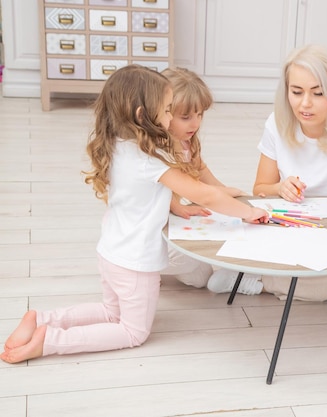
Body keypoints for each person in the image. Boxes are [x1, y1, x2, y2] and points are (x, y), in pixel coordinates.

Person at [1, 65, 269, 364]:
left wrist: (176, 205)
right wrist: (248, 212)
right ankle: (50, 340)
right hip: (135, 263)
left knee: (109, 312)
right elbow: (203, 193)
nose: (170, 118)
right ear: (144, 115)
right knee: (132, 332)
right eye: (168, 110)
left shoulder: (119, 145)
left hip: (110, 251)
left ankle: (40, 319)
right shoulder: (152, 160)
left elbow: (142, 195)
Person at [207, 44, 327, 308]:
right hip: (289, 226)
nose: (305, 103)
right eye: (296, 92)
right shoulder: (277, 122)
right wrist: (280, 187)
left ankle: (254, 281)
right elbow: (260, 188)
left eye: (318, 93)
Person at [160, 67, 246, 288]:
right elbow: (191, 193)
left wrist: (228, 195)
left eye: (200, 115)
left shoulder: (187, 142)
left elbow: (204, 174)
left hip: (172, 222)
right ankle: (141, 269)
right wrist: (220, 196)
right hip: (154, 227)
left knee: (200, 278)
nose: (195, 124)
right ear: (163, 112)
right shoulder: (158, 149)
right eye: (186, 117)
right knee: (191, 257)